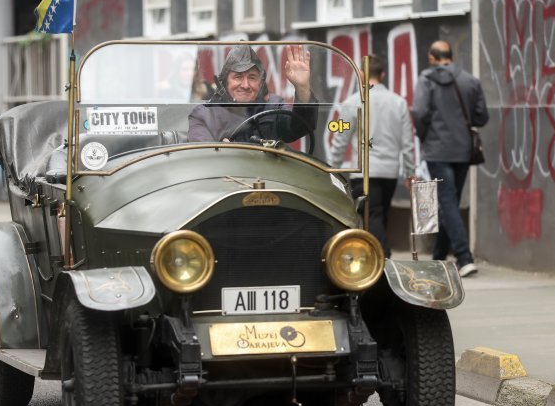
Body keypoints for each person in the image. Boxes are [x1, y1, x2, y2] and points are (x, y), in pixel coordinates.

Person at [412, 40, 488, 277]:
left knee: (448, 202)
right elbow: (481, 117)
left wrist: (425, 138)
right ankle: (439, 256)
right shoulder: (470, 80)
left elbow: (420, 112)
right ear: (450, 56)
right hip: (463, 150)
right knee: (450, 201)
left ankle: (464, 257)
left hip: (437, 150)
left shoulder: (426, 79)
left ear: (432, 58)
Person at [330, 55, 414, 258]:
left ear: (361, 74)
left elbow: (340, 137)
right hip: (390, 172)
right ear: (383, 74)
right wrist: (410, 172)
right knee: (380, 215)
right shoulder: (399, 103)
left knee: (371, 216)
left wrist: (334, 169)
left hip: (363, 171)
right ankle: (375, 257)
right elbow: (408, 142)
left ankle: (382, 256)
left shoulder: (351, 102)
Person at [187, 45, 317, 144]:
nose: (245, 85)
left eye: (252, 77)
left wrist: (302, 87)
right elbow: (200, 156)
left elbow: (301, 125)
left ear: (260, 83)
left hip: (269, 177)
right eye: (238, 77)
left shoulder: (273, 107)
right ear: (225, 82)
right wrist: (220, 150)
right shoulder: (204, 115)